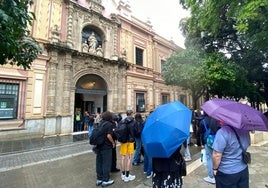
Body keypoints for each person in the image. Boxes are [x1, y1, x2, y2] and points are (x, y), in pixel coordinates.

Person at [95, 111, 116, 187]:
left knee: (99, 162)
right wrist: (113, 143)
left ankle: (99, 179)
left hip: (99, 145)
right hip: (106, 146)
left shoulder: (100, 123)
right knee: (106, 163)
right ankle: (105, 180)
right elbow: (108, 135)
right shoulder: (109, 124)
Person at [199, 114, 221, 184]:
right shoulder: (218, 119)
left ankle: (211, 177)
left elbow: (200, 133)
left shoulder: (203, 121)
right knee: (219, 156)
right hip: (218, 141)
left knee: (209, 158)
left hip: (208, 142)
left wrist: (202, 143)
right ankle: (218, 174)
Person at [120, 110, 136, 182]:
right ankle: (127, 175)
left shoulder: (122, 121)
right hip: (130, 141)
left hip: (123, 141)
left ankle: (123, 174)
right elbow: (136, 131)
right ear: (131, 114)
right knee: (129, 157)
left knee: (122, 157)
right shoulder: (133, 121)